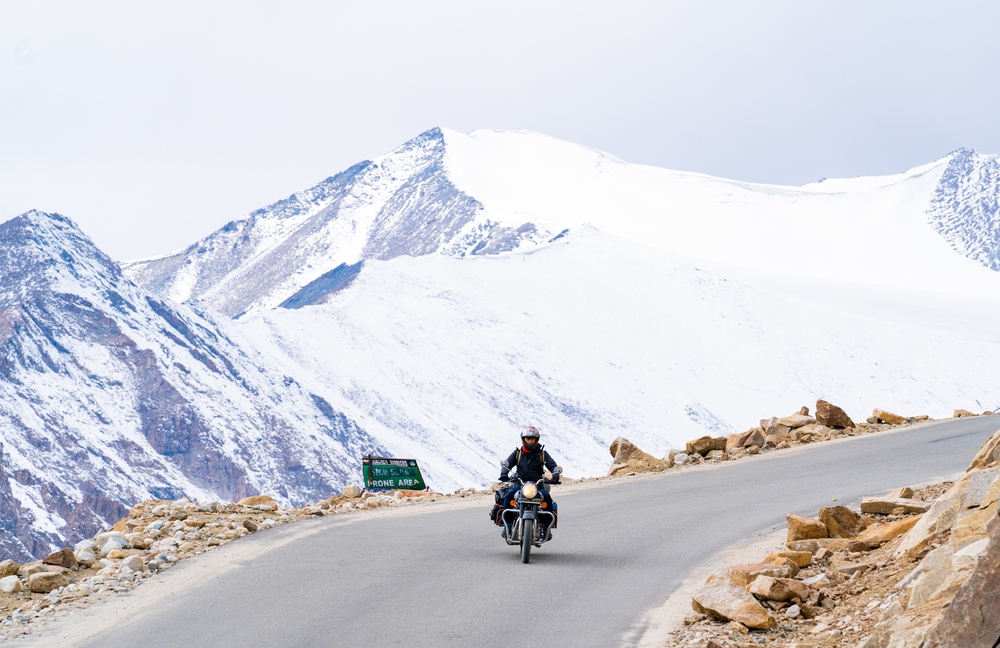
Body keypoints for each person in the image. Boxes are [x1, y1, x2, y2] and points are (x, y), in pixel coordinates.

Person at [490, 425, 562, 533]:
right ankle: (508, 524)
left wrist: (555, 475)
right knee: (510, 495)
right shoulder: (518, 453)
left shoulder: (542, 454)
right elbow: (507, 464)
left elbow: (553, 466)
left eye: (532, 439)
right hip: (520, 484)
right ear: (523, 439)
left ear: (536, 439)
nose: (530, 441)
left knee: (546, 497)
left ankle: (547, 526)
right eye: (528, 439)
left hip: (537, 485)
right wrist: (504, 473)